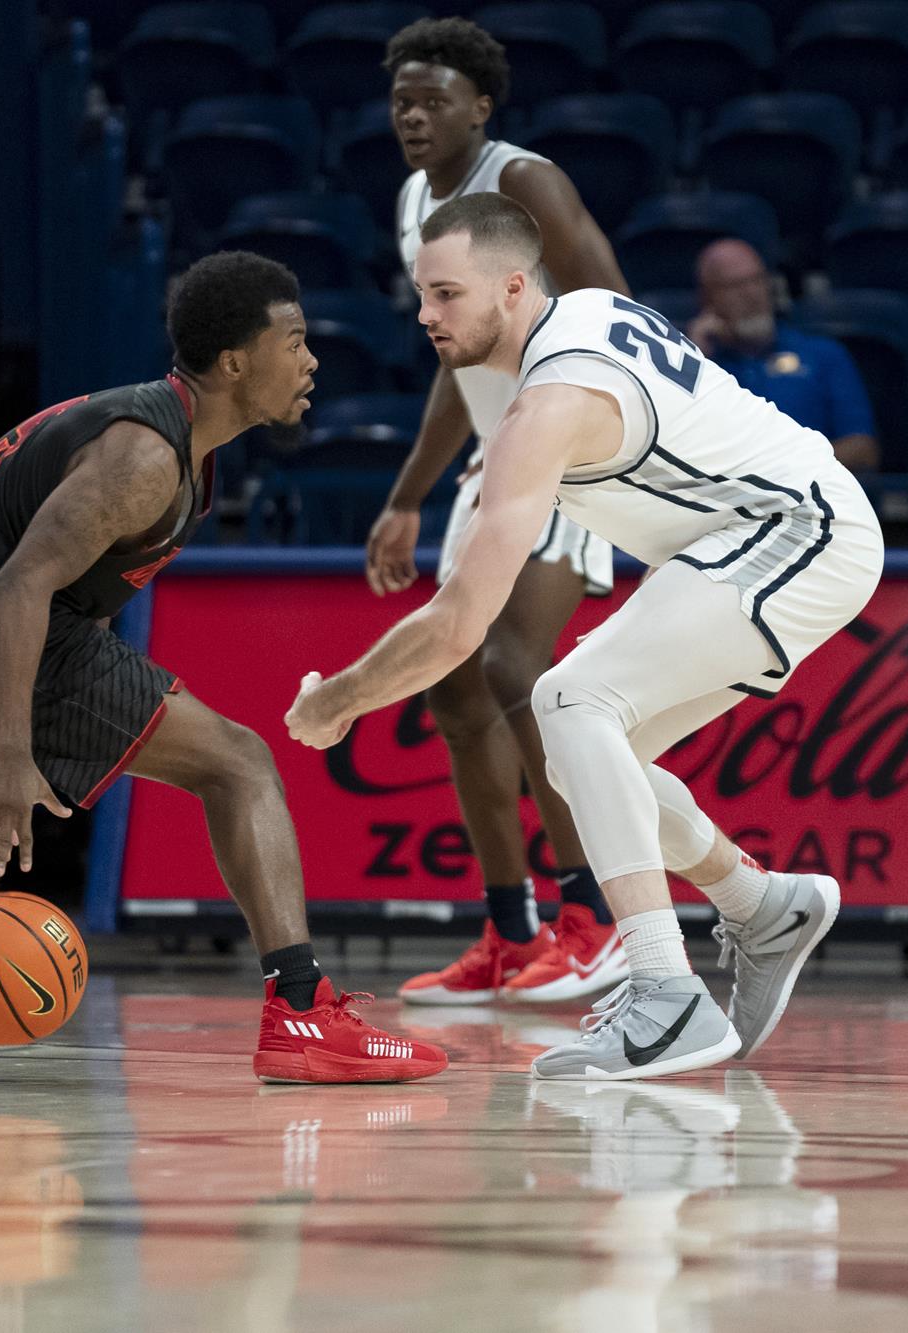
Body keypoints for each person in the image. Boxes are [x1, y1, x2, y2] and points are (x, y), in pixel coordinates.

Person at [0, 251, 447, 1085]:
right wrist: (12, 750)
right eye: (293, 342)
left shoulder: (165, 435)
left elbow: (70, 586)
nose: (312, 360)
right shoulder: (145, 458)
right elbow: (20, 584)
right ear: (234, 362)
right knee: (240, 763)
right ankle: (300, 1008)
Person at [287, 194, 885, 1080]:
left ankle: (665, 993)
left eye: (446, 293)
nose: (425, 316)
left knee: (568, 699)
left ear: (513, 285)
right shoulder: (586, 315)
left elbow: (459, 623)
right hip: (766, 534)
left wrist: (336, 701)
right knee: (587, 757)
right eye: (421, 293)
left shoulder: (551, 401)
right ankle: (761, 904)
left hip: (797, 529)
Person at [366, 16, 632, 1008]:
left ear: (480, 105)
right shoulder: (412, 202)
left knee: (515, 664)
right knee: (452, 689)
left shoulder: (525, 182)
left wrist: (618, 433)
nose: (413, 116)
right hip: (494, 458)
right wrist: (407, 496)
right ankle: (511, 933)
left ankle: (594, 919)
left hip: (568, 449)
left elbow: (619, 309)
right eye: (401, 101)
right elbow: (458, 363)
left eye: (433, 99)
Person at [687, 240, 879, 474]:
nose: (751, 294)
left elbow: (862, 450)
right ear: (707, 298)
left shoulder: (823, 355)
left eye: (757, 280)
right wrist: (695, 358)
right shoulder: (702, 368)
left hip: (812, 490)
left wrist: (779, 468)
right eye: (735, 286)